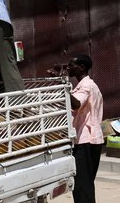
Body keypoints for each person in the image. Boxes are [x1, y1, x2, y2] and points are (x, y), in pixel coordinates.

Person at [49, 55, 103, 203]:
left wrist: (62, 82)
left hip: (86, 140)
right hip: (89, 140)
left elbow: (76, 104)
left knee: (82, 185)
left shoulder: (87, 86)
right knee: (84, 184)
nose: (68, 68)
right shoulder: (85, 86)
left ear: (82, 68)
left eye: (71, 65)